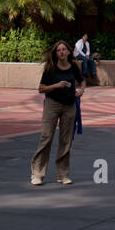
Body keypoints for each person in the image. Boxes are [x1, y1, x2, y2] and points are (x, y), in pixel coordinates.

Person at [31, 40, 84, 185]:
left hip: (69, 106)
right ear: (56, 53)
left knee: (66, 141)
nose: (61, 52)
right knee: (46, 137)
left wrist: (81, 90)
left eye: (64, 49)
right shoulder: (51, 68)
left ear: (68, 52)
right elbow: (41, 88)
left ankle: (63, 174)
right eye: (58, 50)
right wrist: (57, 85)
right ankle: (37, 173)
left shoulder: (73, 66)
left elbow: (82, 81)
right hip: (52, 105)